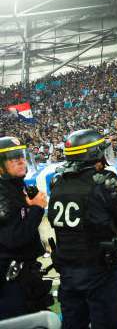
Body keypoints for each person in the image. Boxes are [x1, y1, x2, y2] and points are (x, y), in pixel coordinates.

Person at [49, 129, 117, 329]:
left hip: (68, 273)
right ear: (94, 153)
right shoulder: (106, 181)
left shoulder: (57, 181)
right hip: (100, 271)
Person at [0, 136, 53, 319]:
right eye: (14, 157)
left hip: (25, 275)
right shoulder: (2, 192)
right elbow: (14, 238)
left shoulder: (15, 187)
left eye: (22, 155)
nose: (21, 160)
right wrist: (37, 208)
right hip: (10, 282)